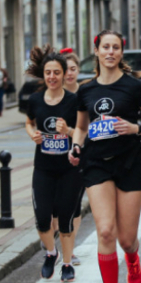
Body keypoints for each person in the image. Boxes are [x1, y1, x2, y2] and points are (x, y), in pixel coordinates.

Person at [70, 30, 141, 283]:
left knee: (125, 238)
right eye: (105, 47)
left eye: (115, 47)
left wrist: (133, 128)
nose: (110, 51)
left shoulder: (134, 87)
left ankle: (132, 258)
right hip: (97, 164)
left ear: (121, 53)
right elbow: (81, 128)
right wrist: (75, 144)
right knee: (106, 231)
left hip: (130, 163)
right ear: (96, 51)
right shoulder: (86, 90)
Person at [24, 47, 82, 283]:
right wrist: (32, 135)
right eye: (48, 72)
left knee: (67, 218)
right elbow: (28, 122)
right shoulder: (35, 99)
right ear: (43, 75)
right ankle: (51, 252)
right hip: (44, 168)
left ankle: (67, 264)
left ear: (63, 73)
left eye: (56, 72)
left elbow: (82, 130)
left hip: (69, 168)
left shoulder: (74, 101)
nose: (52, 77)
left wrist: (67, 131)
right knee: (42, 218)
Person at [59, 48, 83, 267]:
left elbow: (86, 128)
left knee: (75, 205)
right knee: (56, 206)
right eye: (65, 70)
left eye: (73, 69)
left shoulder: (83, 96)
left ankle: (71, 250)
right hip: (55, 156)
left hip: (77, 155)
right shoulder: (54, 95)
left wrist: (68, 131)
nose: (69, 73)